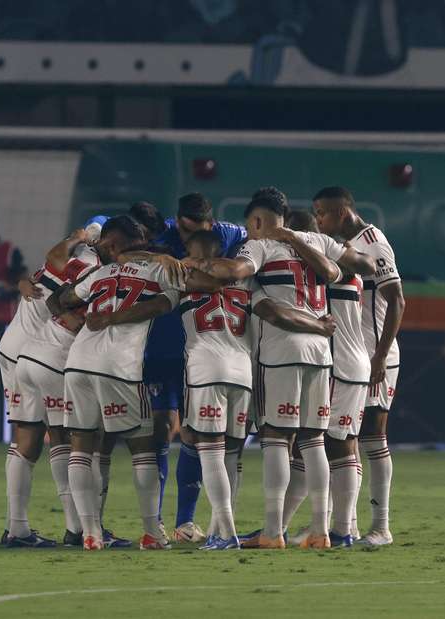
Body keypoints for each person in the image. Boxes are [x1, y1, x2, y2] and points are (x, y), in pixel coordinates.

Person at [183, 186, 374, 549]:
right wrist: (299, 241)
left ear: (256, 220)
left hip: (282, 351)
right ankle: (320, 530)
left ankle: (273, 531)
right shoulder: (315, 240)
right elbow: (352, 267)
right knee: (313, 440)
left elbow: (237, 270)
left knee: (277, 439)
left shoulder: (259, 245)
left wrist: (196, 263)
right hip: (321, 354)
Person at [51, 215, 219, 551]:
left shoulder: (99, 272)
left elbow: (60, 298)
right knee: (143, 448)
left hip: (78, 363)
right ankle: (151, 533)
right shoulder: (161, 269)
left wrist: (73, 316)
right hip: (119, 366)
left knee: (82, 445)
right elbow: (166, 301)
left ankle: (90, 533)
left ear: (113, 243)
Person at [175, 230, 337, 549]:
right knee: (296, 443)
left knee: (216, 451)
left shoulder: (179, 276)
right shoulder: (250, 285)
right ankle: (321, 528)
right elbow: (275, 311)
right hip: (245, 372)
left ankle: (230, 532)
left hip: (207, 367)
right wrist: (319, 326)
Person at [146, 193, 247, 543]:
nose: (186, 237)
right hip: (171, 352)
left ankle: (192, 523)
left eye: (195, 233)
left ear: (210, 224)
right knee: (168, 430)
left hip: (201, 359)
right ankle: (157, 522)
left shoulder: (232, 235)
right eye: (183, 231)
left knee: (202, 440)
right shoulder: (163, 234)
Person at [311, 186, 405, 547]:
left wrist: (380, 356)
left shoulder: (373, 242)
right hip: (352, 356)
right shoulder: (344, 246)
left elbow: (397, 300)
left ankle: (380, 527)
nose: (319, 220)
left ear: (343, 212)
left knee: (370, 437)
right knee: (341, 437)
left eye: (322, 213)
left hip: (375, 356)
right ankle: (345, 526)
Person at [276, 209, 369, 548]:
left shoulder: (325, 268)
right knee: (336, 445)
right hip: (354, 362)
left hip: (338, 363)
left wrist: (294, 241)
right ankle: (336, 528)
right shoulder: (343, 267)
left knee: (323, 445)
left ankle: (336, 530)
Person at [4, 230, 97, 548]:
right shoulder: (85, 268)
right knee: (57, 435)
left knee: (27, 436)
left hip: (15, 347)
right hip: (36, 351)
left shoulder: (56, 264)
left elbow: (49, 261)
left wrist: (75, 237)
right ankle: (73, 527)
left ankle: (18, 526)